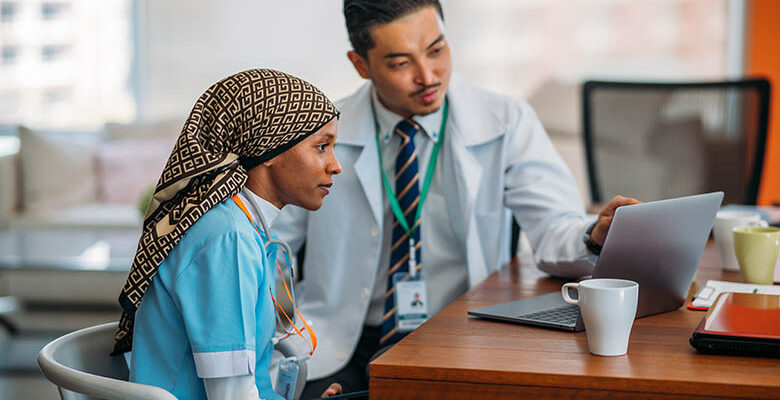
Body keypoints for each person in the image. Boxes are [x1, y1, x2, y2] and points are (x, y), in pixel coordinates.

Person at [270, 1, 639, 397]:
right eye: (400, 63)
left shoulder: (506, 120)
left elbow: (553, 227)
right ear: (361, 65)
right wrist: (276, 334)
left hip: (456, 334)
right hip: (343, 339)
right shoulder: (322, 134)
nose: (427, 77)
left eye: (437, 50)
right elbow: (270, 245)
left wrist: (593, 234)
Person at [112, 69, 344, 400]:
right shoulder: (226, 238)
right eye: (321, 147)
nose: (335, 165)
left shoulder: (236, 224)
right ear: (271, 149)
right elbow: (231, 395)